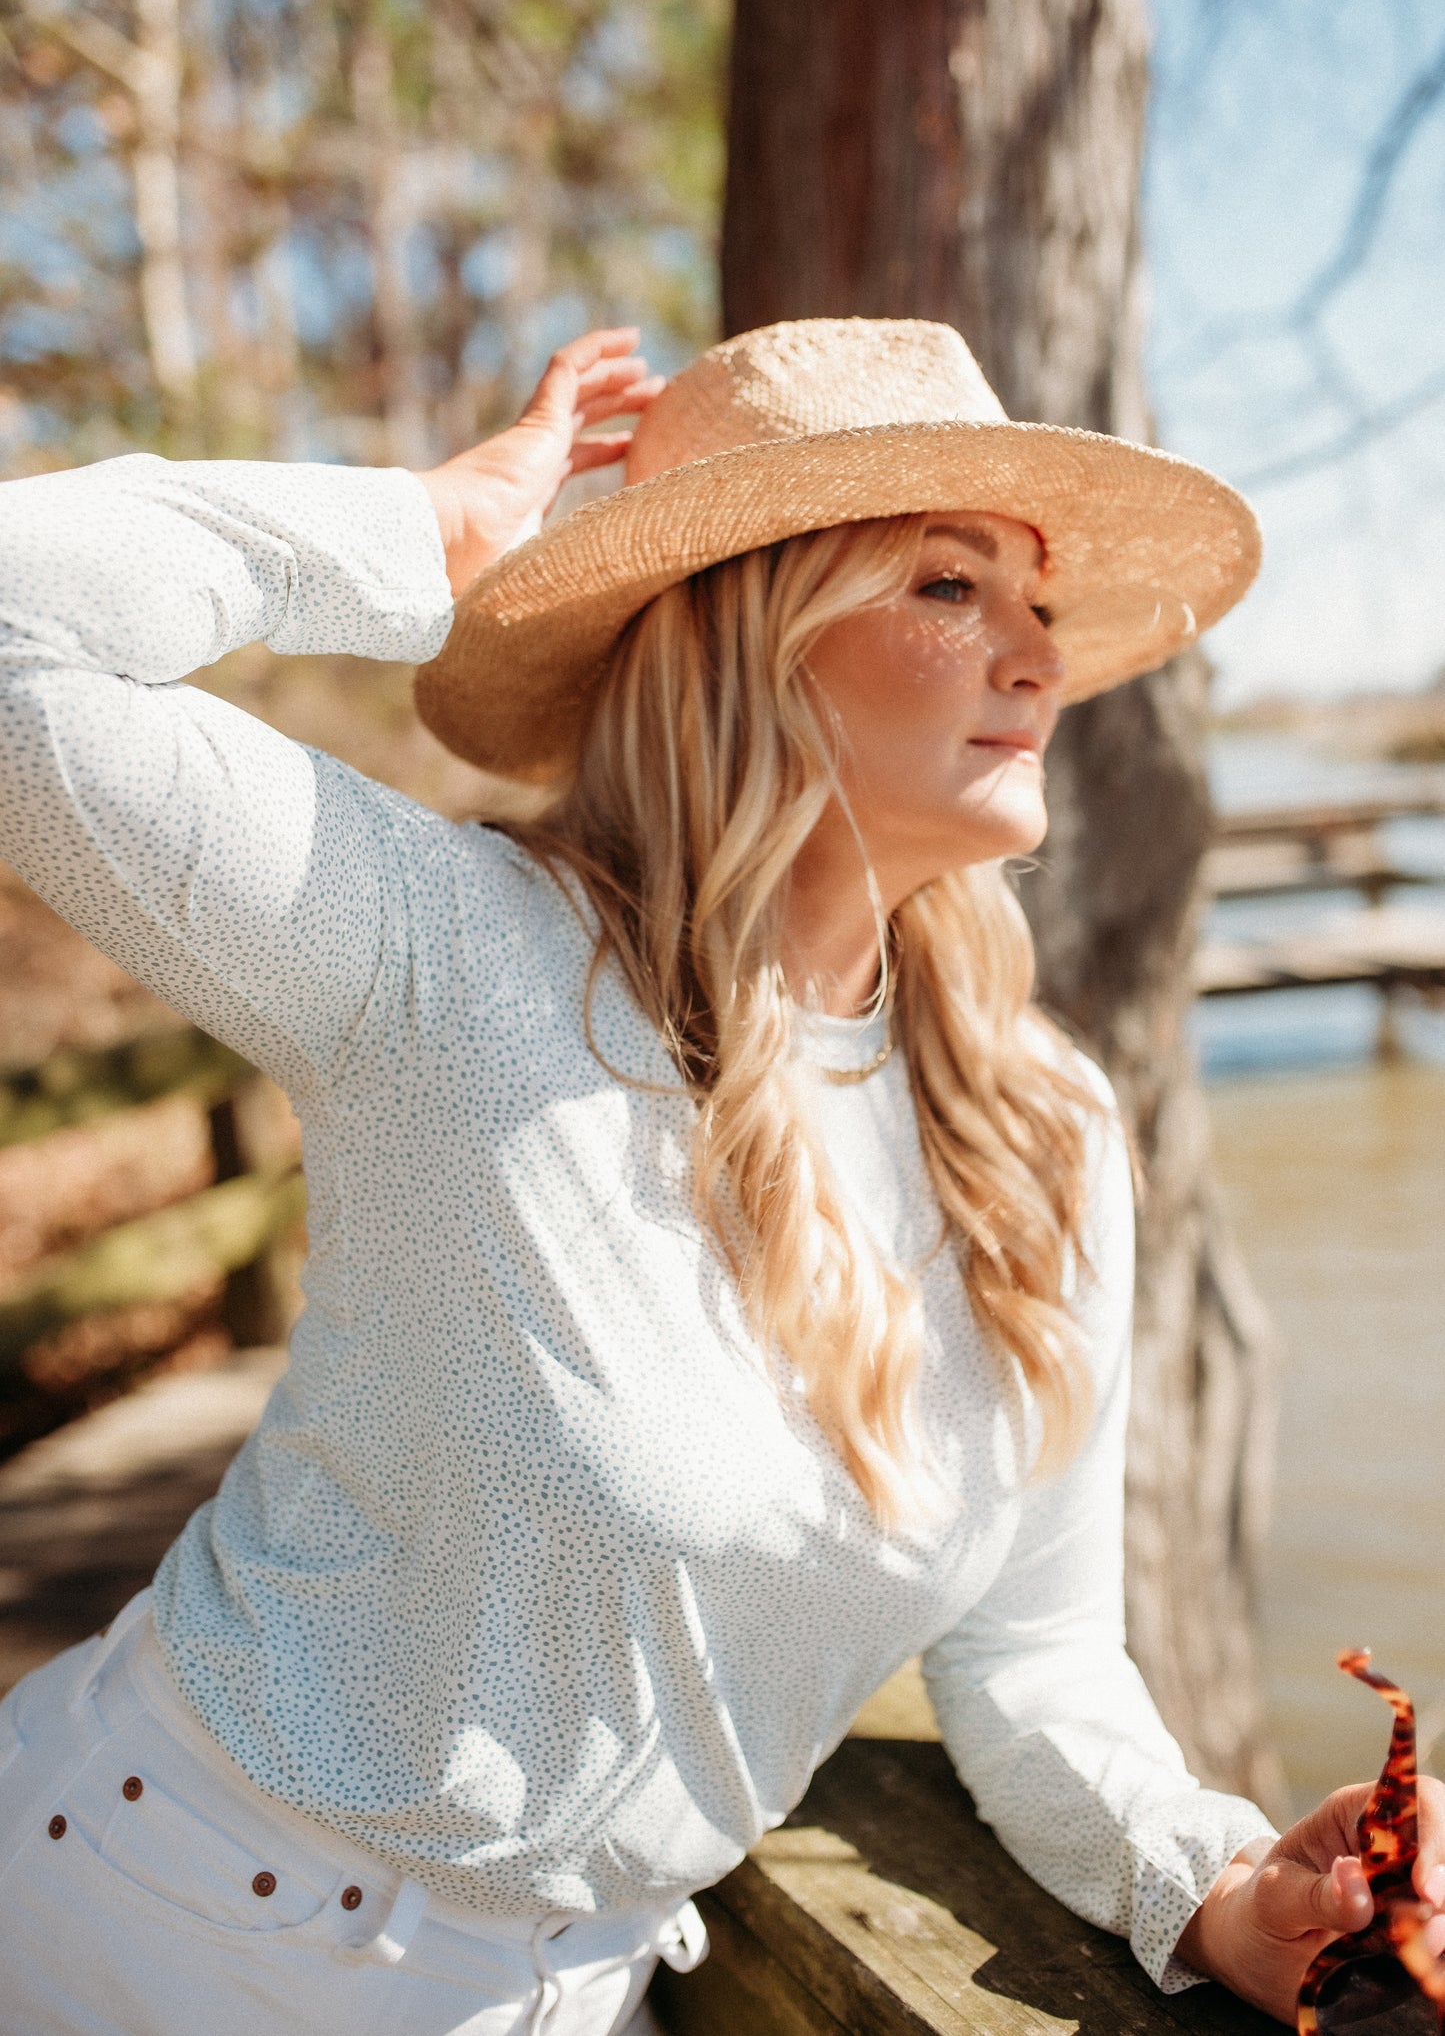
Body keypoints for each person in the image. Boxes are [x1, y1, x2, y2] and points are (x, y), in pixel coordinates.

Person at [0, 318, 1439, 2036]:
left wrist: (1202, 1885)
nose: (1036, 659)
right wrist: (424, 532)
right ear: (748, 636)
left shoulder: (1041, 1127)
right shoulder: (451, 955)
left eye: (1036, 604)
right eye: (944, 587)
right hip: (150, 1938)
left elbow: (1033, 1655)